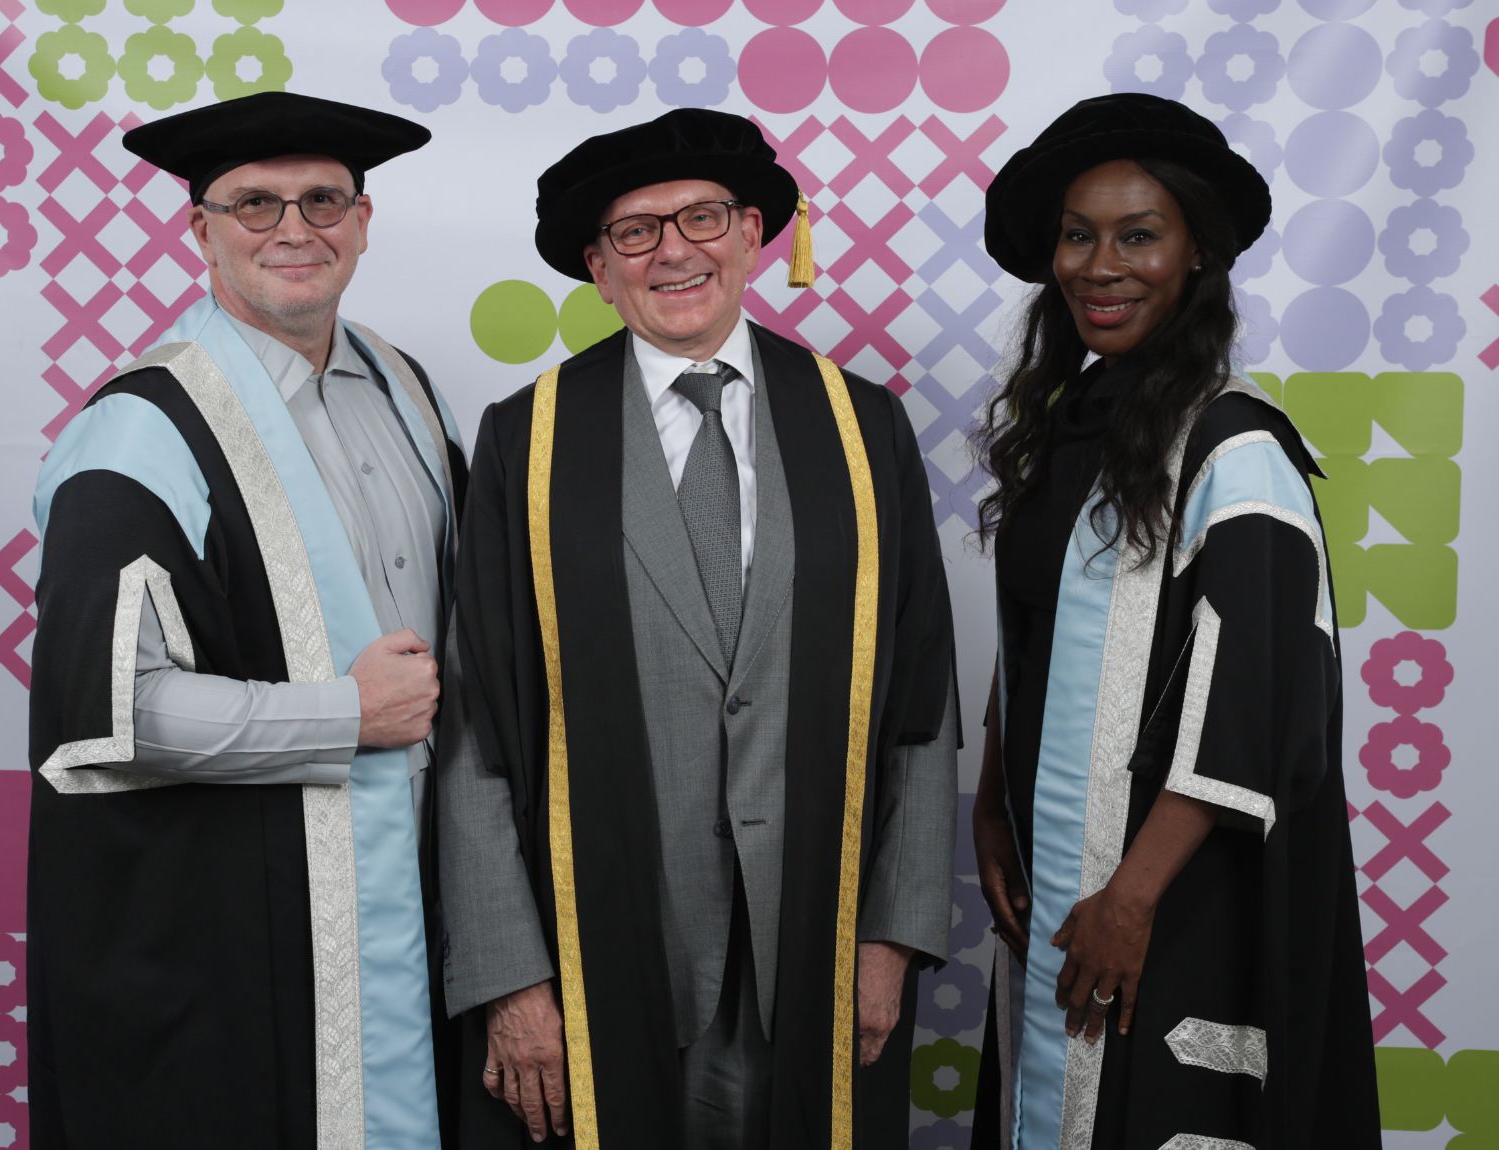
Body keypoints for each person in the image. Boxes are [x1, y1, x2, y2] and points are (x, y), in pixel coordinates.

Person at [434, 108, 959, 1149]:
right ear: (597, 266)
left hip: (817, 934)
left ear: (756, 231)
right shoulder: (526, 442)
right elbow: (476, 729)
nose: (674, 250)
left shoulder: (861, 429)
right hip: (604, 943)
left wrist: (894, 935)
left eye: (703, 218)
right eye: (635, 232)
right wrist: (508, 975)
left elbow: (921, 706)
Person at [27, 91, 466, 1150]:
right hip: (231, 922)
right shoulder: (139, 430)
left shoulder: (407, 390)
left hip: (416, 896)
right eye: (254, 204)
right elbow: (106, 713)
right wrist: (344, 716)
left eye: (322, 199)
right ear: (202, 229)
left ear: (362, 221)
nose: (292, 228)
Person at [969, 92, 1380, 1148]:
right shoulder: (1069, 434)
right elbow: (1031, 628)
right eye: (1077, 235)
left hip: (1177, 888)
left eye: (1137, 236)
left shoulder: (1236, 451)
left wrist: (1131, 896)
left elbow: (1249, 695)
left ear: (1196, 254)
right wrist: (987, 801)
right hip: (1056, 859)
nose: (1098, 265)